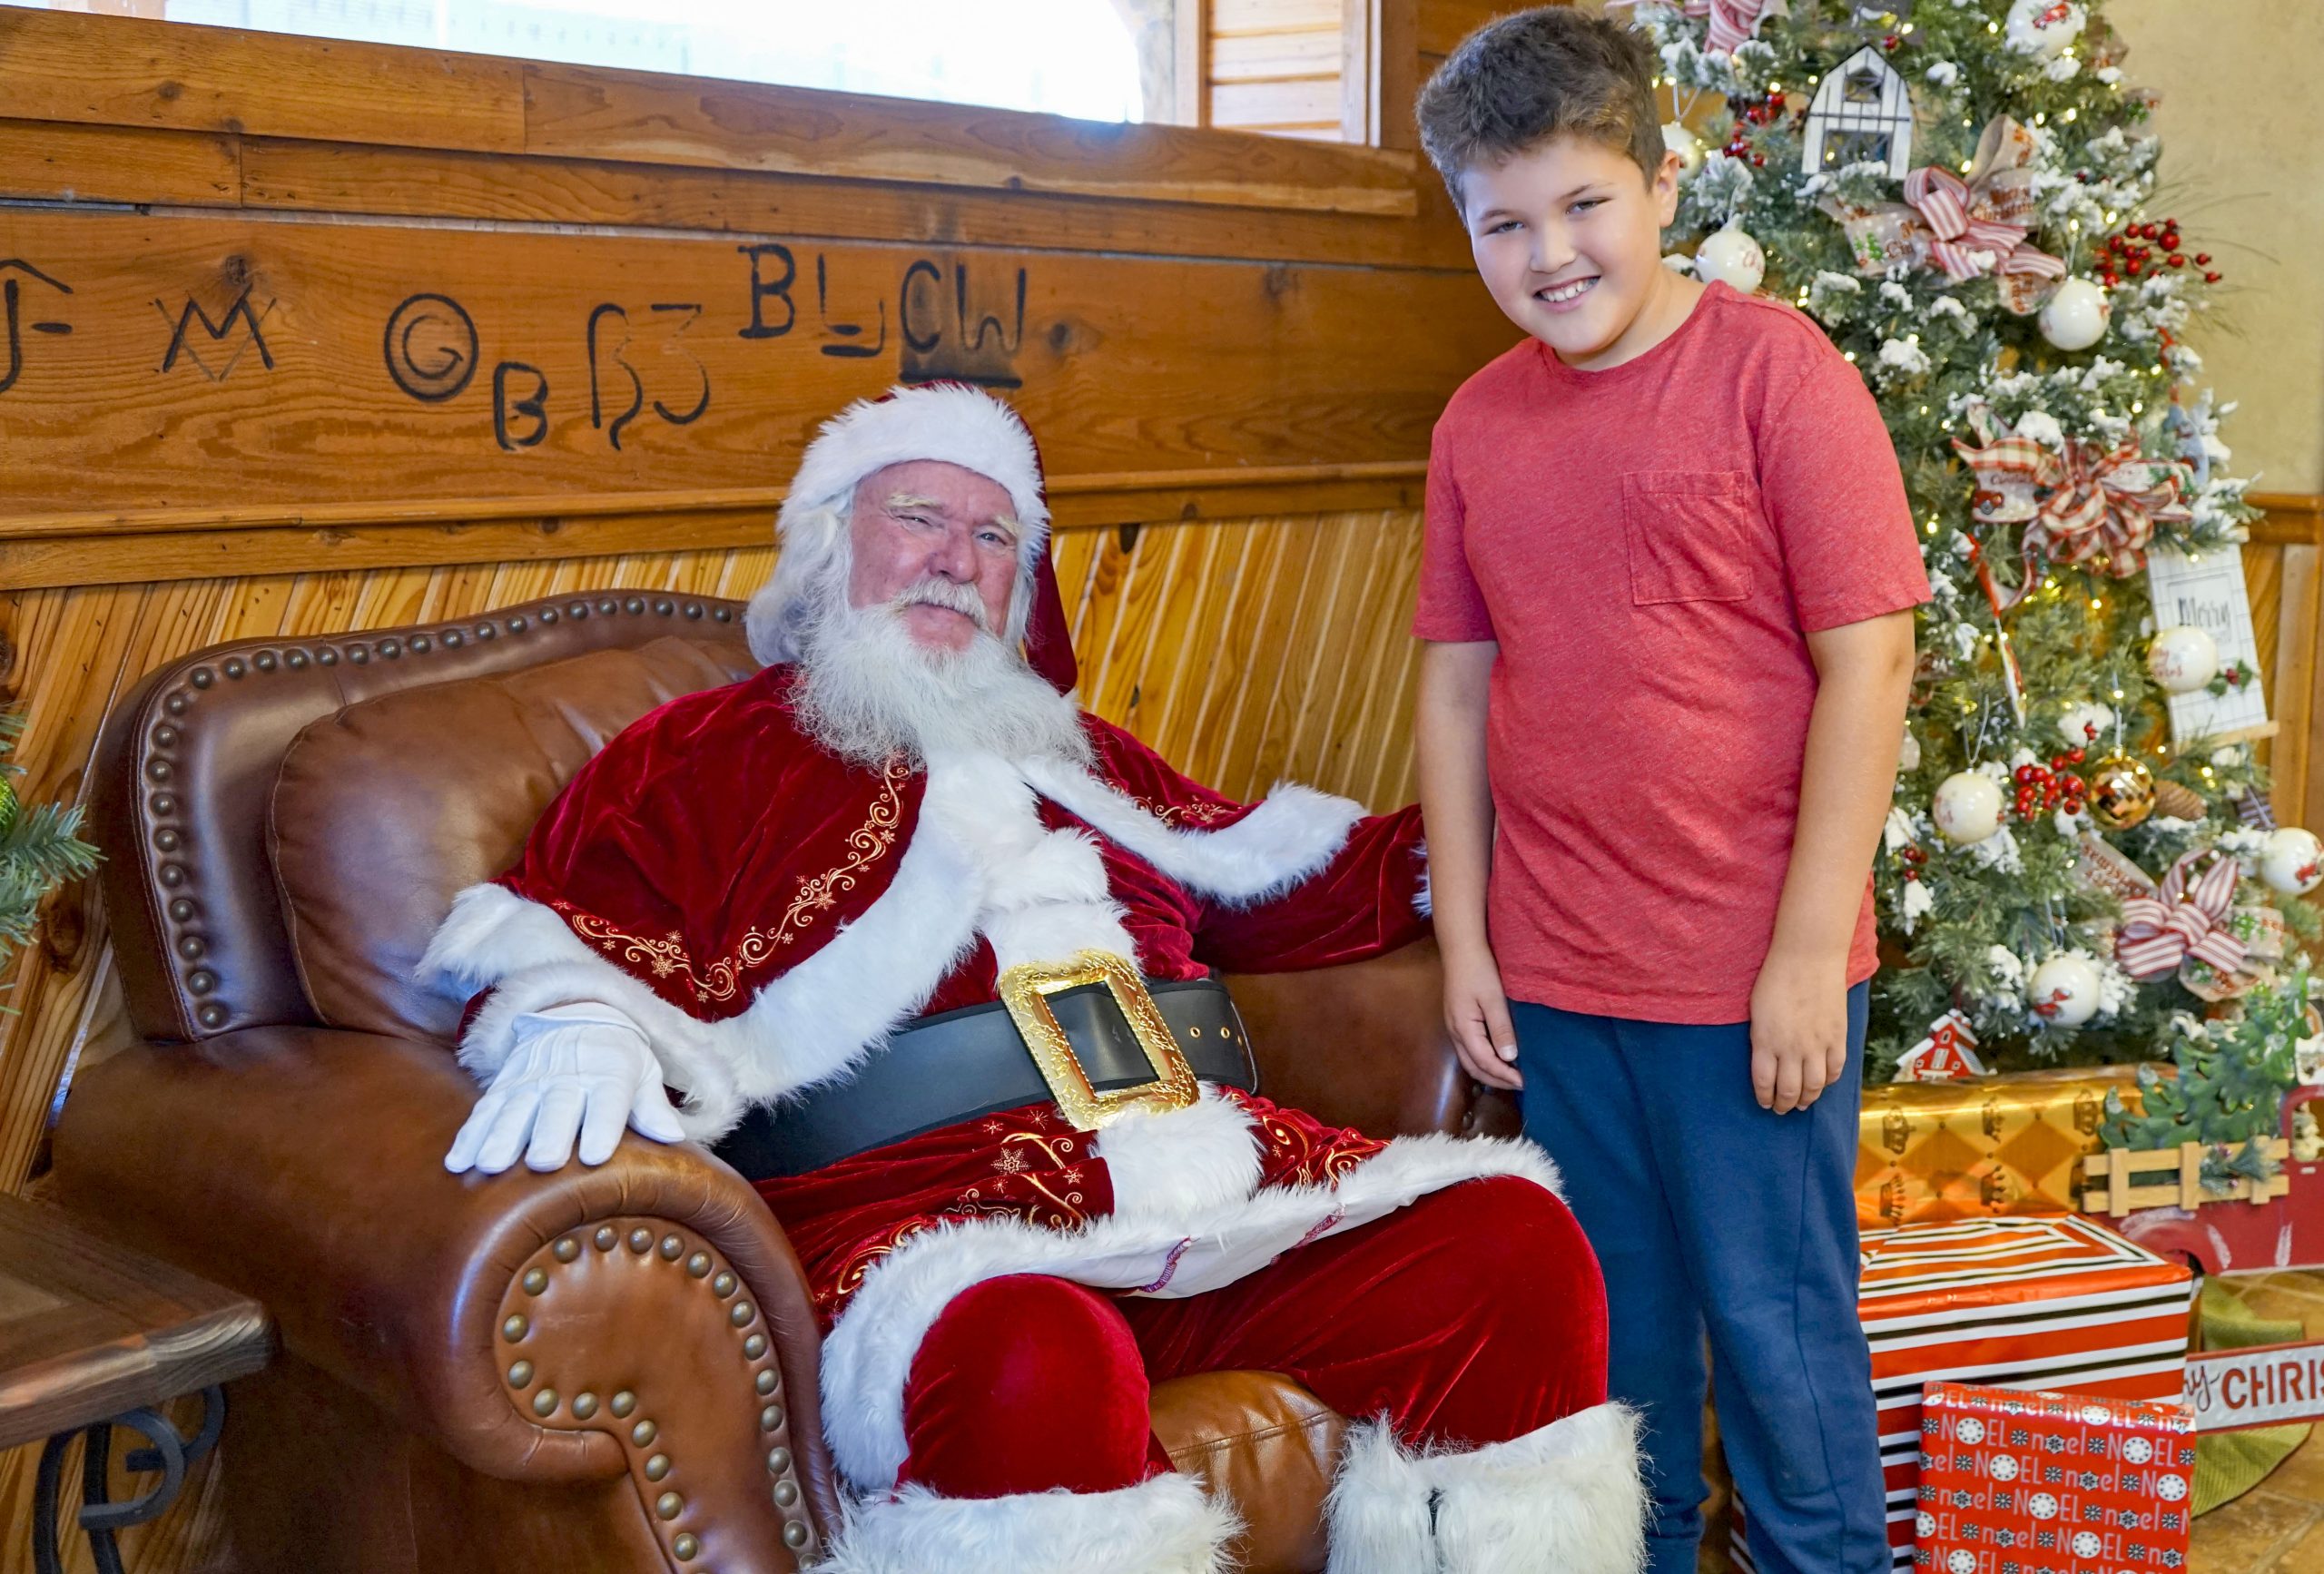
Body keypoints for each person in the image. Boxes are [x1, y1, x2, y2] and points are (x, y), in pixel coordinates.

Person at [420, 382, 1647, 1574]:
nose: (956, 558)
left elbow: (1289, 874)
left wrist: (1523, 812)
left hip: (1216, 1188)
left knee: (1510, 1245)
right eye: (918, 518)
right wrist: (577, 1022)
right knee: (1035, 1357)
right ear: (830, 546)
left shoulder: (1085, 755)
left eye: (994, 535)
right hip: (940, 1229)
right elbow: (571, 927)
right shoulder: (706, 754)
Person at [1408, 11, 1927, 1574]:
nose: (1550, 254)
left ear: (1662, 184)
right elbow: (1456, 685)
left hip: (1747, 978)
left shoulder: (1778, 374)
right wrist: (1468, 941)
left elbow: (1872, 662)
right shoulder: (1475, 425)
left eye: (1585, 204)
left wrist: (1805, 952)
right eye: (1504, 223)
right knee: (1616, 1343)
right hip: (1560, 977)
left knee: (1778, 1331)